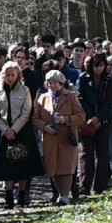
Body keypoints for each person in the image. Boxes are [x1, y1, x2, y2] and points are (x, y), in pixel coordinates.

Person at [0, 61, 44, 209]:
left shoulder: (24, 90)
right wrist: (6, 130)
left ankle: (21, 194)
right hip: (4, 132)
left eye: (13, 75)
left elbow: (27, 112)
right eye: (7, 75)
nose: (10, 78)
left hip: (22, 132)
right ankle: (8, 196)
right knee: (7, 165)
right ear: (3, 76)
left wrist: (14, 129)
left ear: (18, 75)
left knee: (22, 164)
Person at [33, 70, 85, 206]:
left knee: (66, 166)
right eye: (50, 83)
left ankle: (65, 195)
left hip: (66, 137)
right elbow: (35, 118)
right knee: (53, 167)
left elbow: (81, 116)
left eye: (55, 82)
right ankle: (60, 194)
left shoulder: (71, 96)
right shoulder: (42, 98)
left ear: (61, 83)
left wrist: (65, 119)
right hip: (50, 138)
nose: (52, 85)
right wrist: (44, 127)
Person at [76, 53, 112, 195]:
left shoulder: (109, 81)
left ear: (105, 66)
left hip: (104, 120)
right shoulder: (82, 79)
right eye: (95, 65)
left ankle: (100, 185)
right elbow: (80, 99)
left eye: (101, 65)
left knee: (102, 152)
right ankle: (84, 184)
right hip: (86, 120)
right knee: (85, 152)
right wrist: (90, 117)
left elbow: (110, 102)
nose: (98, 69)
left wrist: (98, 118)